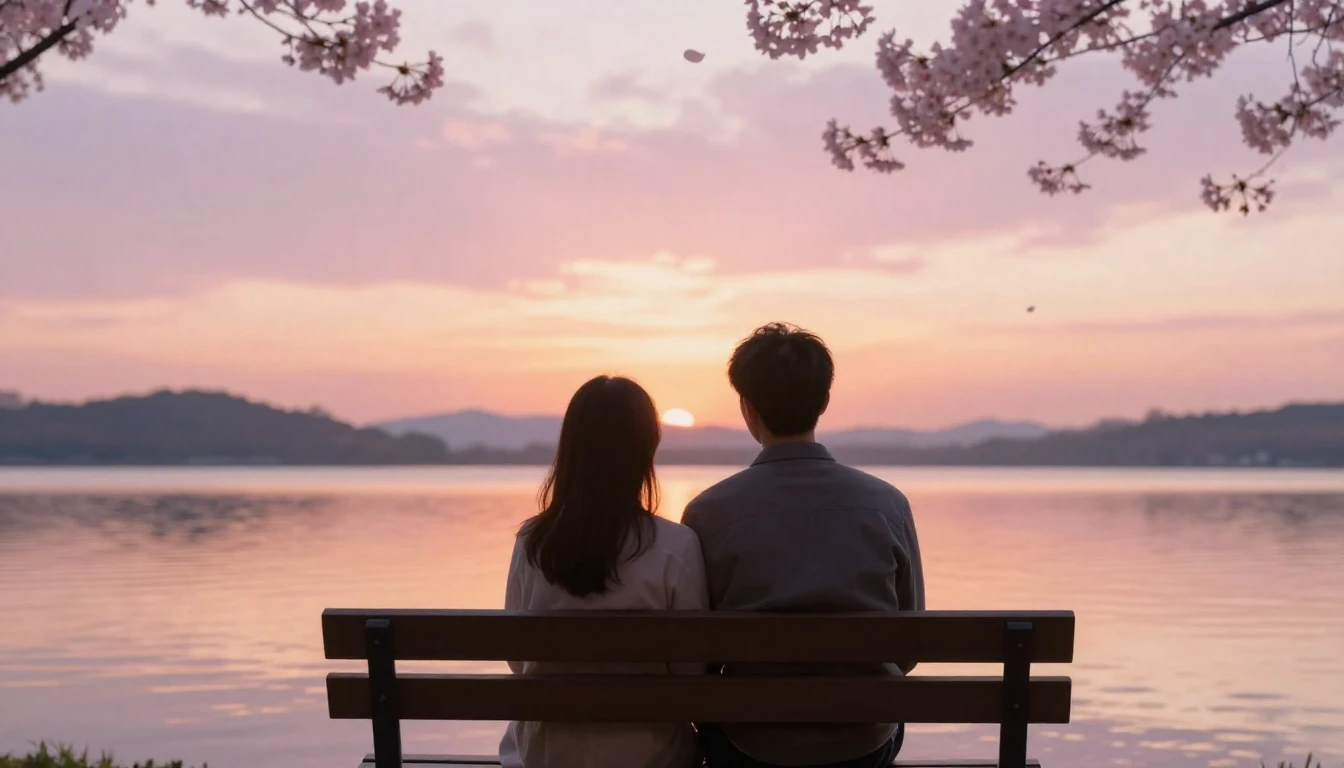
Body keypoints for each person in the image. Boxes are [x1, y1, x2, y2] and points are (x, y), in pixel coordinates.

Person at [682, 323, 926, 768]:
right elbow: (907, 649)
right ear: (824, 402)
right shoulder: (887, 505)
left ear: (747, 408)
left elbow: (701, 656)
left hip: (749, 743)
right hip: (863, 743)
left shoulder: (707, 512)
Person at [499, 375, 709, 768]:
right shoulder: (674, 545)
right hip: (650, 754)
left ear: (571, 448)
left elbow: (517, 656)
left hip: (547, 755)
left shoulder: (532, 541)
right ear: (646, 450)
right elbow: (691, 668)